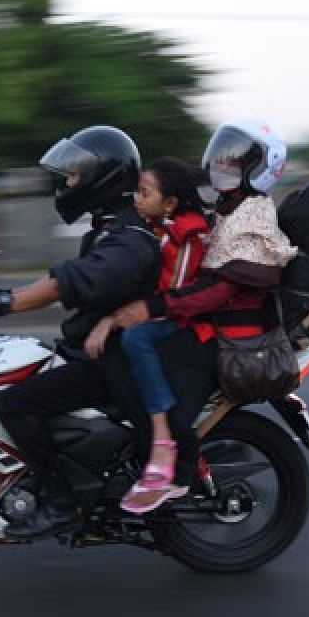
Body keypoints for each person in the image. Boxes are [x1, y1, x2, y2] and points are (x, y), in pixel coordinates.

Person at [0, 125, 163, 540]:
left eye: (73, 175)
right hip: (98, 352)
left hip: (113, 364)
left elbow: (74, 281)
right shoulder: (110, 229)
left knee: (15, 405)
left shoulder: (129, 237)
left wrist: (1, 302)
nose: (67, 184)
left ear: (102, 177)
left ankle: (61, 502)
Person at [108, 118, 297, 506]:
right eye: (222, 157)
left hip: (230, 338)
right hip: (210, 324)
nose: (221, 165)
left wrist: (153, 307)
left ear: (260, 170)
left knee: (149, 361)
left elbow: (219, 288)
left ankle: (171, 468)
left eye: (234, 160)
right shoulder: (232, 210)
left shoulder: (254, 218)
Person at [82, 157, 210, 513]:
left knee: (135, 340)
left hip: (182, 317)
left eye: (144, 193)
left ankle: (161, 436)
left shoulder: (190, 233)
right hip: (164, 309)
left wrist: (120, 319)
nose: (136, 199)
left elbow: (177, 294)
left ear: (169, 202)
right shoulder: (162, 228)